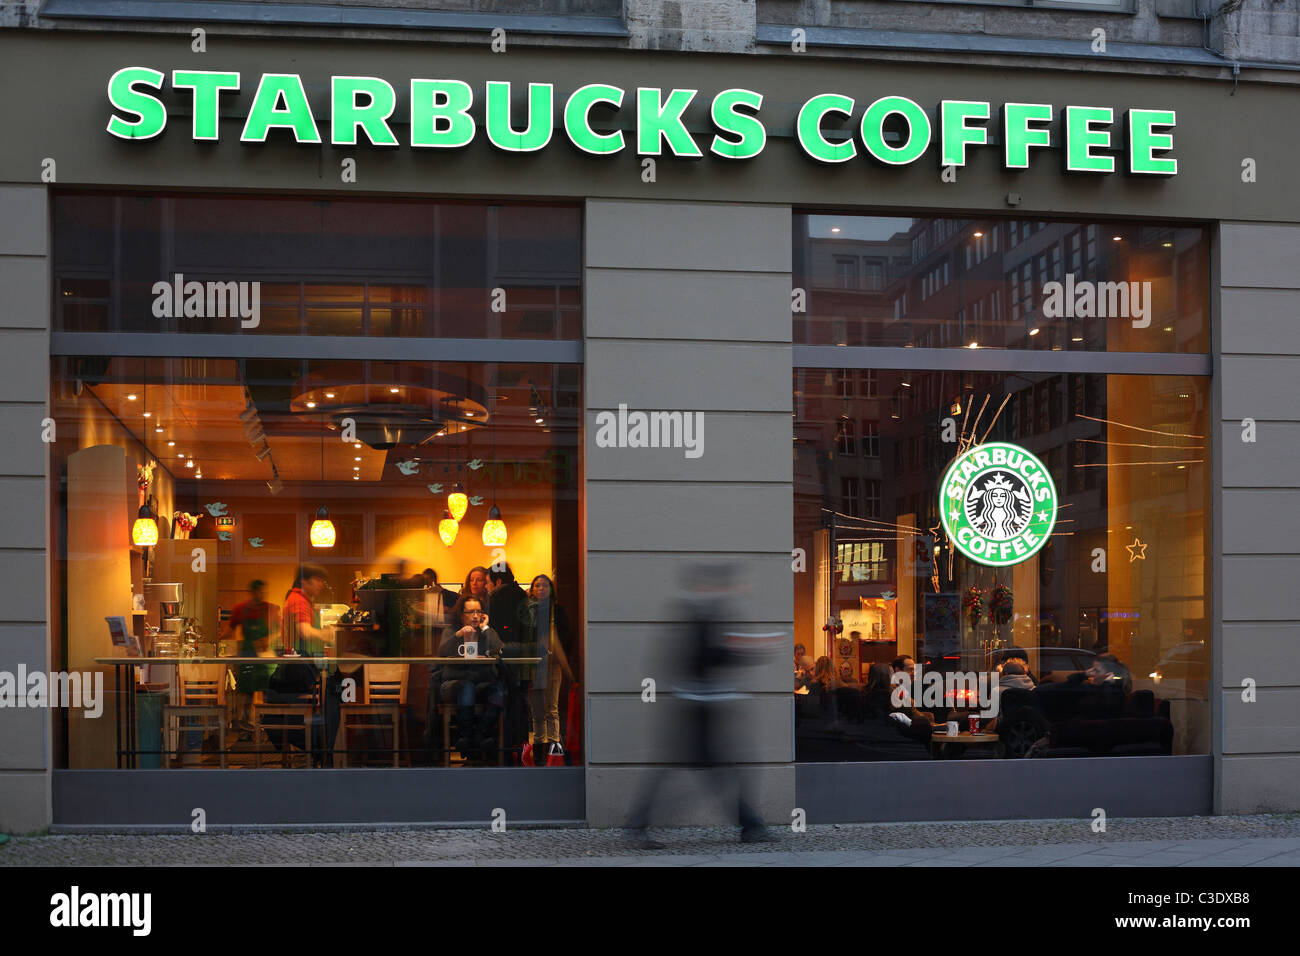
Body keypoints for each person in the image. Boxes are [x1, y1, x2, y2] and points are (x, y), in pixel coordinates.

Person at [626, 562, 771, 847]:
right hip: (696, 707)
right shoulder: (698, 615)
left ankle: (751, 825)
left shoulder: (702, 613)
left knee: (715, 769)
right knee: (715, 769)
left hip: (699, 705)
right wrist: (742, 651)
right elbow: (701, 658)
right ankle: (751, 826)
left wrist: (739, 651)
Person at [265, 564, 340, 767]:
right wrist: (327, 634)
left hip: (298, 668)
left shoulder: (300, 600)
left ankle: (322, 750)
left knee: (332, 692)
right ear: (305, 581)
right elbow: (305, 632)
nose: (321, 584)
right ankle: (324, 751)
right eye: (318, 580)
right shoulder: (298, 600)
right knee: (334, 693)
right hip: (300, 670)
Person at [430, 597, 505, 763]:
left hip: (480, 683)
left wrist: (485, 628)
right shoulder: (451, 631)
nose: (476, 616)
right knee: (467, 686)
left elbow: (500, 649)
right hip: (453, 683)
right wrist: (458, 635)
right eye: (471, 612)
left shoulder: (486, 632)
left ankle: (475, 736)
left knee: (499, 691)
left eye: (479, 611)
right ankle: (468, 736)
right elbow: (442, 652)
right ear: (461, 614)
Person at [517, 574, 576, 764]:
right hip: (533, 665)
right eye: (537, 585)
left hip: (552, 665)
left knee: (552, 708)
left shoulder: (557, 611)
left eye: (544, 585)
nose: (541, 588)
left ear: (550, 589)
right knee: (537, 712)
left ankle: (554, 752)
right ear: (532, 589)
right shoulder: (527, 611)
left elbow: (566, 637)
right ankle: (539, 753)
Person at [223, 580, 278, 725]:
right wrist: (216, 641)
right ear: (251, 592)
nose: (260, 594)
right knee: (246, 692)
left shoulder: (270, 609)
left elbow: (280, 630)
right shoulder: (240, 609)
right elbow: (229, 630)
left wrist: (268, 639)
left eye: (263, 591)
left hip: (265, 655)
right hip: (247, 654)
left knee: (267, 690)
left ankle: (267, 724)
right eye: (258, 591)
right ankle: (244, 724)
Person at [486, 563, 528, 651]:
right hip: (523, 649)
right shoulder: (522, 594)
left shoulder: (497, 599)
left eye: (488, 582)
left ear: (498, 582)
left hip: (504, 649)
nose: (486, 586)